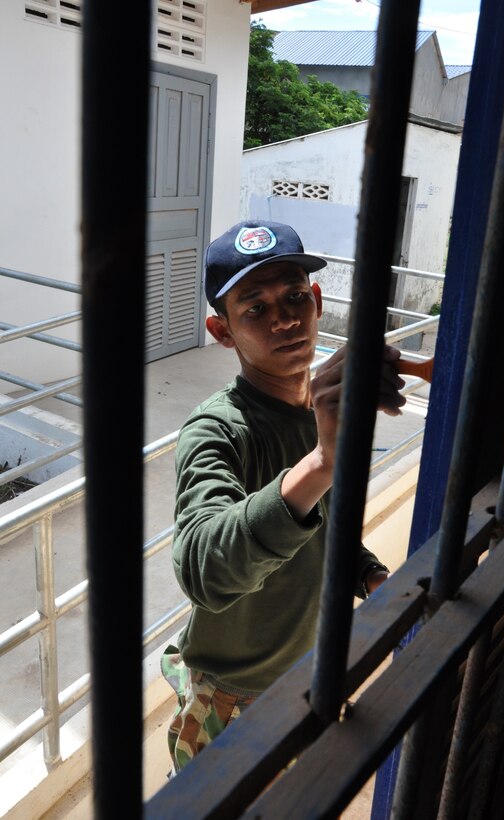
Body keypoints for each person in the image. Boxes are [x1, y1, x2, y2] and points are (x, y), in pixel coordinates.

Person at [161, 220, 406, 774]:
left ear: (317, 300)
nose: (285, 319)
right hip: (231, 698)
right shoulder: (217, 430)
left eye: (296, 296)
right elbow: (202, 569)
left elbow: (322, 531)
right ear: (222, 332)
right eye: (255, 308)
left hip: (313, 672)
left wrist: (371, 576)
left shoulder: (318, 412)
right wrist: (322, 461)